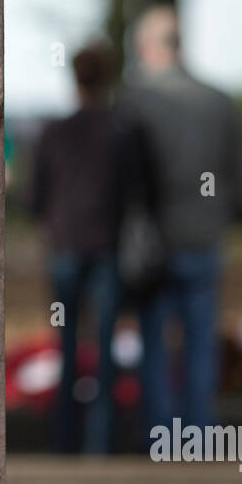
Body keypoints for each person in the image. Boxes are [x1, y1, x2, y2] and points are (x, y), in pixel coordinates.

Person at [121, 6, 242, 438]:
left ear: (147, 47)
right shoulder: (219, 100)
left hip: (154, 243)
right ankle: (198, 435)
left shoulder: (135, 100)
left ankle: (161, 436)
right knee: (200, 345)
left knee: (155, 344)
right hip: (205, 237)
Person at [30, 44, 154, 454]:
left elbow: (36, 198)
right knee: (104, 350)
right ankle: (100, 445)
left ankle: (63, 440)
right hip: (108, 250)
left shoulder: (53, 131)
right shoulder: (124, 130)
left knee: (65, 348)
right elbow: (141, 191)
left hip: (65, 248)